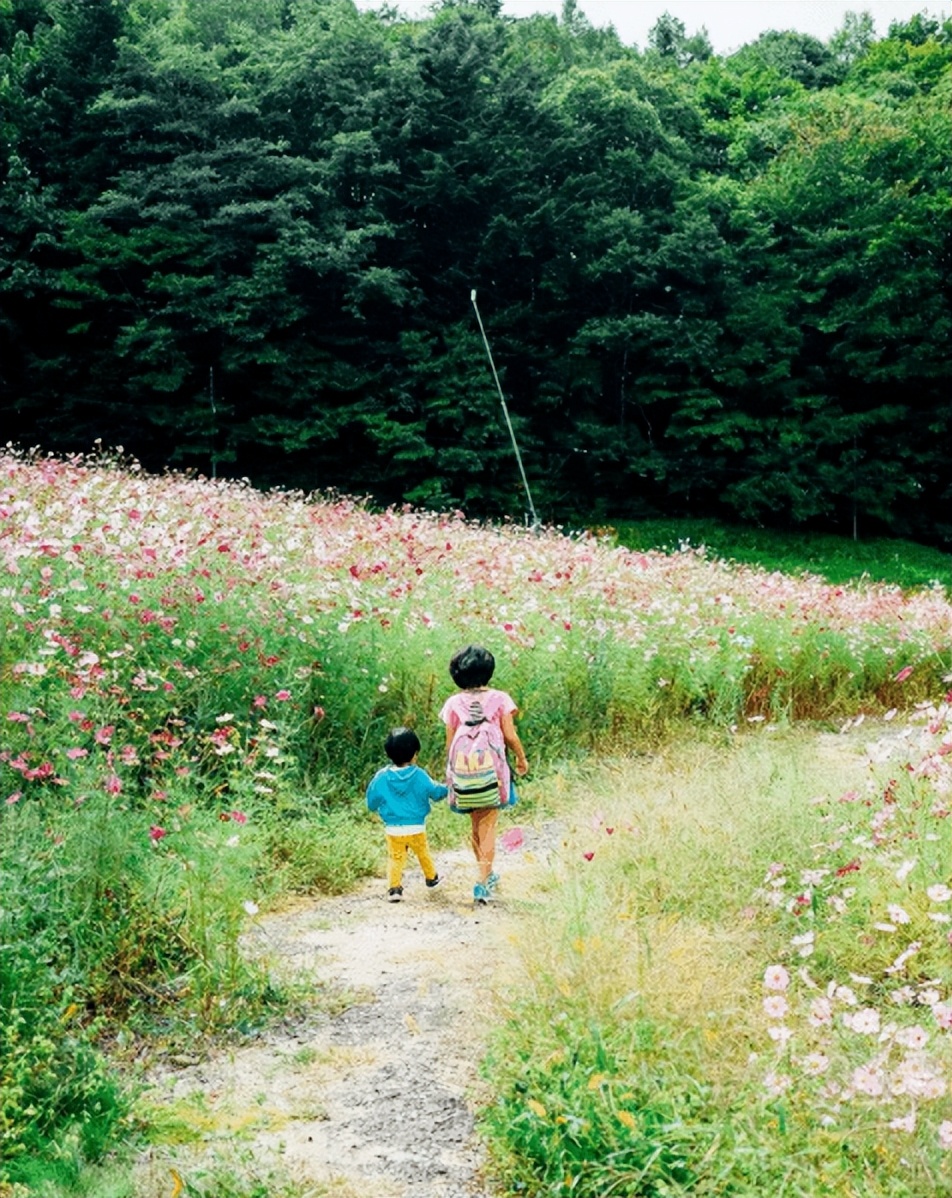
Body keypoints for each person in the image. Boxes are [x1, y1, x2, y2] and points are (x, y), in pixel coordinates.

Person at [440, 644, 529, 906]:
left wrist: (453, 774)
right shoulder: (500, 699)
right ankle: (483, 882)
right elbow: (510, 735)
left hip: (465, 772)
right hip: (492, 773)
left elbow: (449, 744)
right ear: (489, 671)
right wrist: (521, 758)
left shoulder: (453, 703)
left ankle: (485, 872)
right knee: (488, 825)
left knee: (476, 826)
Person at [366, 727, 447, 903]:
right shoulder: (419, 775)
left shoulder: (381, 777)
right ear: (414, 754)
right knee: (423, 852)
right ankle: (431, 878)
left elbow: (371, 802)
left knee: (395, 857)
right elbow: (435, 792)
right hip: (416, 826)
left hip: (393, 829)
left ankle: (394, 888)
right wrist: (448, 788)